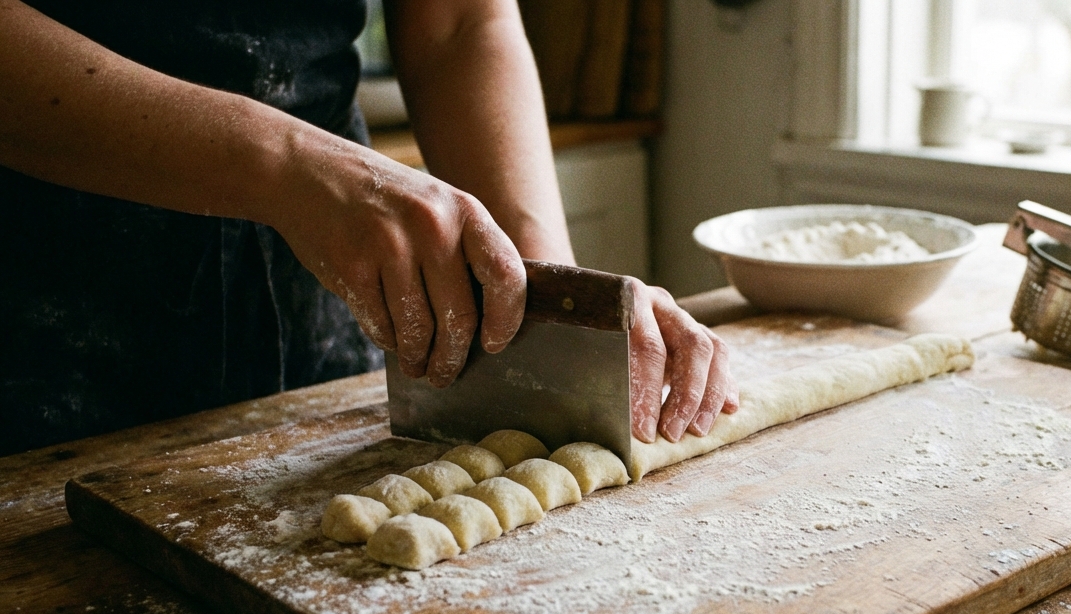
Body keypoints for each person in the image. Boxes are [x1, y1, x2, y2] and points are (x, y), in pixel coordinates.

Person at [0, 0, 737, 457]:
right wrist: (285, 165)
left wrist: (543, 287)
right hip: (44, 298)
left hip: (329, 280)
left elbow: (458, 23)